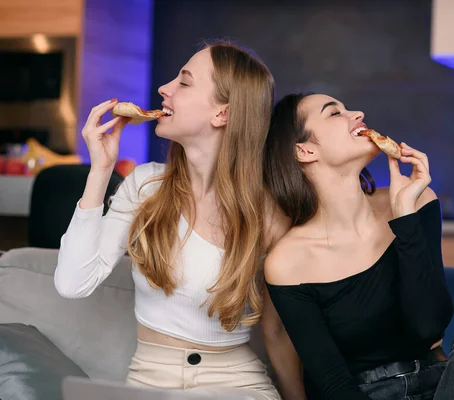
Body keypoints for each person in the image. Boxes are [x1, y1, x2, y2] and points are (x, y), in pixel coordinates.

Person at [261, 93, 454, 400]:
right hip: (367, 393)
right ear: (305, 150)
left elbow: (428, 328)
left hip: (444, 387)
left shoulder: (418, 202)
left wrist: (405, 218)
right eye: (334, 113)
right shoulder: (287, 262)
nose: (357, 113)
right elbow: (331, 384)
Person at [54, 41, 288, 400]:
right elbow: (73, 284)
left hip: (237, 384)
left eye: (185, 81)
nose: (164, 88)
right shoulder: (144, 185)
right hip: (150, 380)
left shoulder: (267, 211)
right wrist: (101, 170)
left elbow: (279, 327)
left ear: (222, 114)